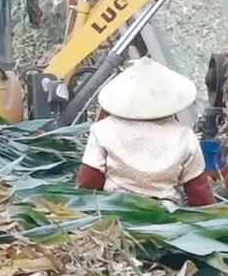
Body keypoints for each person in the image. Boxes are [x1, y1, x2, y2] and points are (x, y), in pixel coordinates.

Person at [76, 58, 216, 206]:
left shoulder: (102, 129)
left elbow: (89, 180)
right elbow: (199, 194)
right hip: (164, 217)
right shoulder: (184, 136)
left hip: (115, 210)